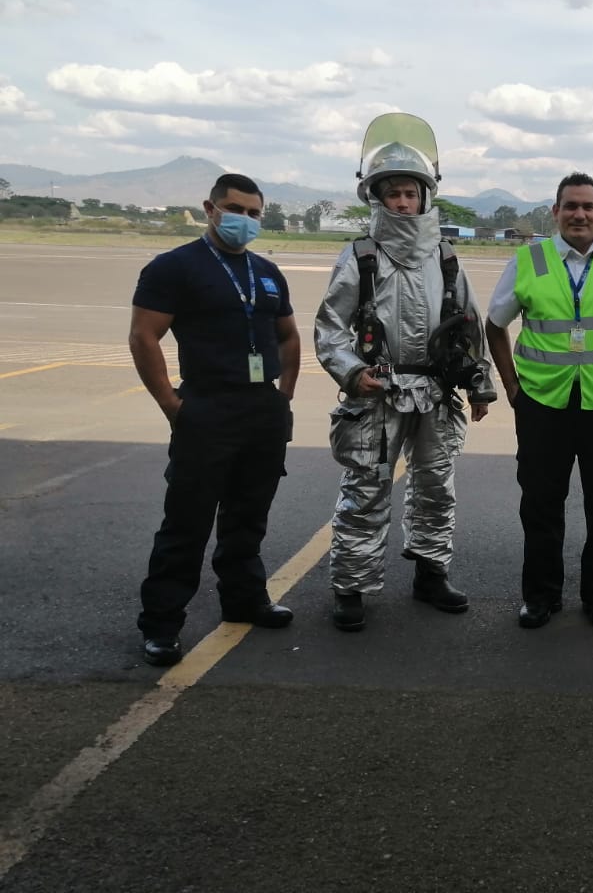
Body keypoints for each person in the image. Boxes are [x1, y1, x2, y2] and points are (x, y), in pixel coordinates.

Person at [314, 113, 497, 632]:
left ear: (424, 197)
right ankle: (350, 585)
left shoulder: (445, 258)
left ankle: (431, 573)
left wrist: (479, 383)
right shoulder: (360, 258)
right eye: (391, 193)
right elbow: (330, 327)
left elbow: (469, 325)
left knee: (437, 485)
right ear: (376, 198)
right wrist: (352, 374)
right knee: (366, 488)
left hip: (436, 392)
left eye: (409, 193)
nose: (401, 202)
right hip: (378, 392)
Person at [129, 173, 299, 667]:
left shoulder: (267, 272)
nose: (243, 219)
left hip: (261, 409)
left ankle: (244, 599)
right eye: (234, 208)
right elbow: (144, 337)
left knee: (249, 515)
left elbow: (288, 336)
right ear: (209, 208)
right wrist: (172, 406)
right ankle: (161, 624)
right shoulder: (174, 268)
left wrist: (282, 397)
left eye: (252, 213)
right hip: (206, 407)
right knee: (187, 521)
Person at [485, 171, 593, 630]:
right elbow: (494, 323)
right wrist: (510, 385)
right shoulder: (530, 260)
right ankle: (540, 597)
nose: (579, 214)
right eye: (570, 206)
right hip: (543, 405)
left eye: (588, 207)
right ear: (556, 212)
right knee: (541, 504)